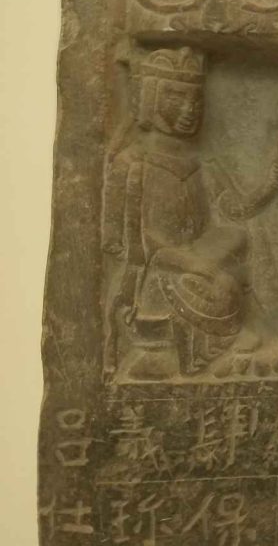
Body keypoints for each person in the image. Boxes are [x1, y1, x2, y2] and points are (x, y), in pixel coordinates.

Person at [102, 46, 249, 379]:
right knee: (214, 284)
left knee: (238, 240)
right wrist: (196, 264)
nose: (188, 109)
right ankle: (172, 355)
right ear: (150, 99)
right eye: (175, 98)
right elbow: (140, 243)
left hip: (197, 257)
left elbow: (234, 211)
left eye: (195, 100)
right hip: (161, 271)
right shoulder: (133, 166)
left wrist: (276, 180)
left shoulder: (199, 163)